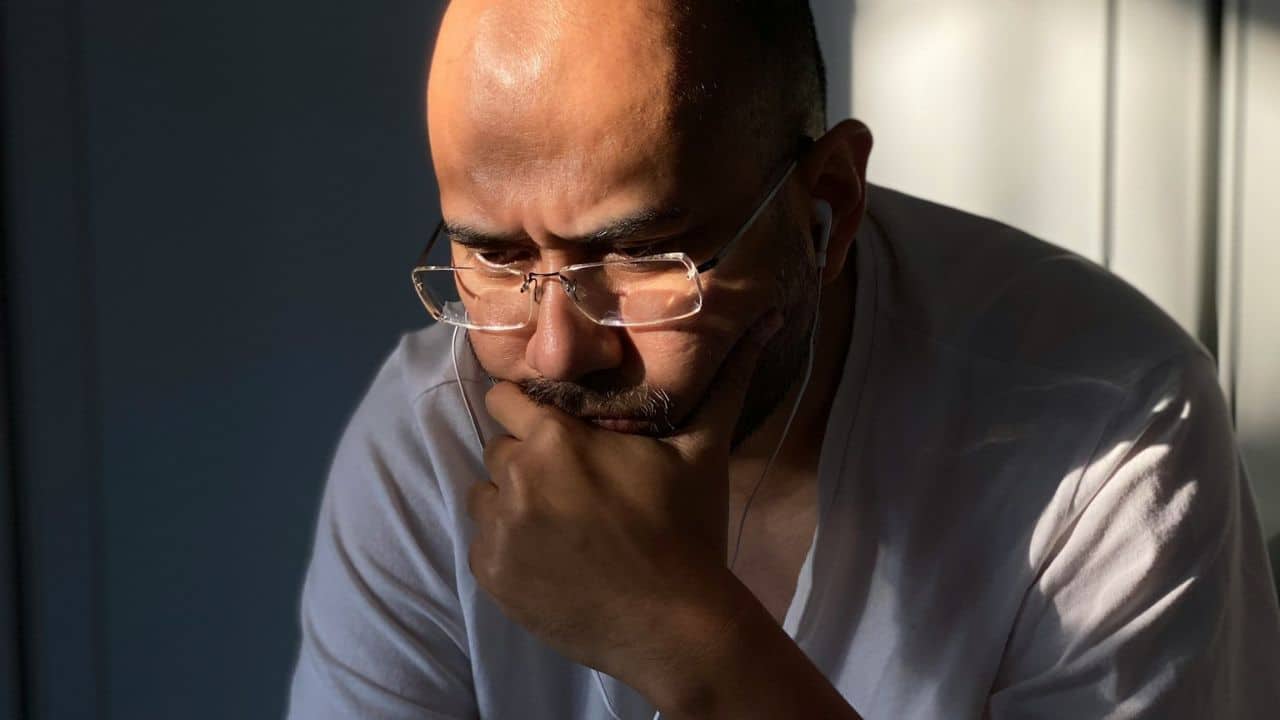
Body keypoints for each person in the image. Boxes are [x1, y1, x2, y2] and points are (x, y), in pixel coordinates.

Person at [286, 1, 1280, 718]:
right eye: (495, 256)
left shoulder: (1110, 434)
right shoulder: (426, 438)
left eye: (642, 257)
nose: (556, 349)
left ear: (827, 207)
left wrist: (689, 641)